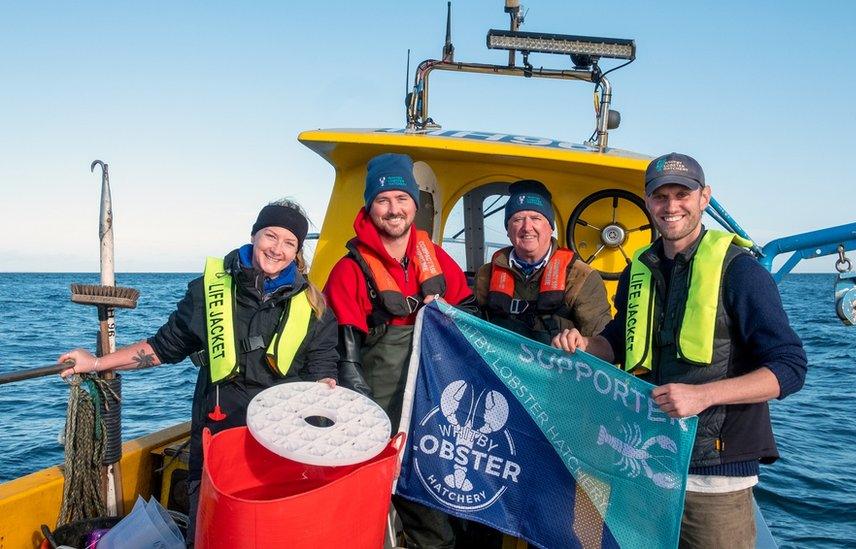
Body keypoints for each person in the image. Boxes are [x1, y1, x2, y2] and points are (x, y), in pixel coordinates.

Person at [552, 153, 807, 548]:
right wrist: (586, 346)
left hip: (713, 477)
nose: (671, 206)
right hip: (644, 467)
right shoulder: (641, 267)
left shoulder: (741, 271)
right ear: (648, 201)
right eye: (660, 196)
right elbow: (618, 340)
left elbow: (790, 367)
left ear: (704, 197)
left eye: (682, 194)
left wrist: (703, 395)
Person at [59, 199, 340, 540]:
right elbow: (162, 348)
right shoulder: (210, 291)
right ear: (254, 235)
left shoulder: (314, 305)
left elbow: (324, 372)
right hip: (218, 439)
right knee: (210, 532)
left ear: (297, 251)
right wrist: (98, 362)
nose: (277, 249)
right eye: (270, 236)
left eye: (289, 242)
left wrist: (328, 389)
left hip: (281, 448)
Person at [324, 153, 478, 549]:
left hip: (431, 416)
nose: (394, 210)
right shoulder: (349, 270)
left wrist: (449, 319)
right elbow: (342, 353)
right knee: (361, 521)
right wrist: (365, 427)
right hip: (375, 418)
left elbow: (472, 322)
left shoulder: (439, 262)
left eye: (401, 198)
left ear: (415, 204)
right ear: (369, 206)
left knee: (435, 525)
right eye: (383, 200)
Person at [475, 179, 611, 343]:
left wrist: (580, 342)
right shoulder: (486, 274)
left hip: (557, 365)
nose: (527, 227)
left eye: (536, 218)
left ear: (550, 227)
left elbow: (603, 343)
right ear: (508, 230)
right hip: (499, 365)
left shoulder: (582, 277)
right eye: (518, 219)